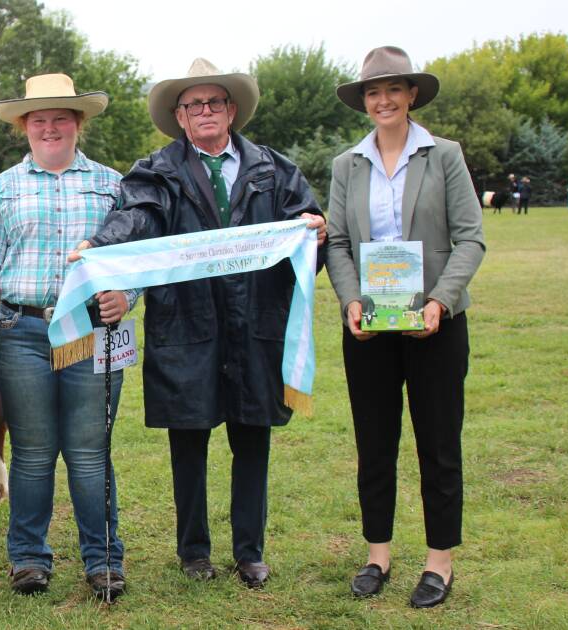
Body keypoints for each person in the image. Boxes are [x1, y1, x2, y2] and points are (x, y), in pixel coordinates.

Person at [74, 59, 326, 590]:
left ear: (231, 110)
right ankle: (193, 552)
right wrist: (102, 245)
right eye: (194, 105)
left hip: (255, 323)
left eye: (215, 102)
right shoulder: (158, 171)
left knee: (252, 438)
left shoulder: (275, 170)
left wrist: (316, 233)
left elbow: (307, 232)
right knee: (189, 441)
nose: (205, 111)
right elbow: (137, 216)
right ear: (180, 118)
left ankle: (250, 552)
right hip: (187, 324)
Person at [0, 73, 132, 601]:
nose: (49, 127)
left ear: (78, 123)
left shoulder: (113, 184)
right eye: (38, 120)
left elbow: (131, 259)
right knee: (31, 451)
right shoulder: (2, 188)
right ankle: (29, 558)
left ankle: (103, 561)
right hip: (22, 330)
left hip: (91, 331)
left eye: (60, 118)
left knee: (90, 451)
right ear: (24, 128)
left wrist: (128, 296)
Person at [326, 46, 485, 608]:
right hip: (368, 329)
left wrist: (441, 300)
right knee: (375, 443)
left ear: (412, 94)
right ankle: (377, 555)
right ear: (363, 101)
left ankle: (439, 562)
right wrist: (349, 300)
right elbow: (340, 243)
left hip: (437, 326)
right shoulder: (348, 164)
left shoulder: (444, 155)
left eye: (394, 89)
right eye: (373, 91)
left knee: (438, 443)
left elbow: (471, 238)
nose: (383, 100)